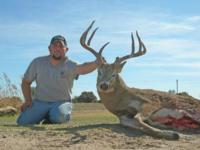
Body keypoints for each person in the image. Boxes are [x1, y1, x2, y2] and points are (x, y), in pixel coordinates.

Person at [17, 35, 101, 125]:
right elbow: (26, 82)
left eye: (61, 46)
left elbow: (83, 68)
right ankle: (45, 115)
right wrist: (28, 100)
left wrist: (97, 62)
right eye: (54, 46)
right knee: (23, 122)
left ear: (66, 49)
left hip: (61, 103)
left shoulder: (70, 65)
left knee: (59, 117)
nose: (57, 48)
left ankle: (51, 118)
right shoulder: (37, 62)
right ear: (49, 48)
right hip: (40, 102)